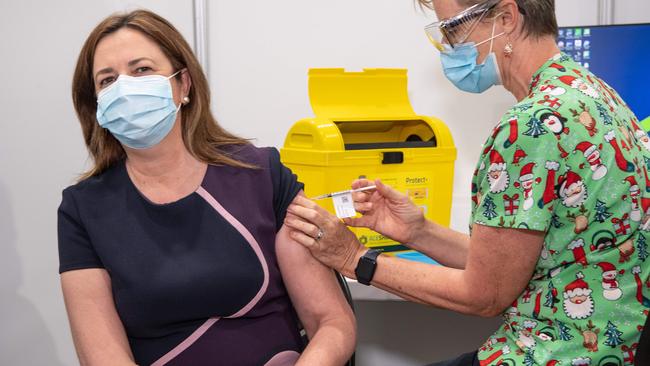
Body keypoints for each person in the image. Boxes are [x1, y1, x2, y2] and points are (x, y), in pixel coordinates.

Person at [284, 0, 650, 364]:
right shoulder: (594, 93)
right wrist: (418, 231)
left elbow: (483, 295)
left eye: (452, 28)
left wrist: (354, 258)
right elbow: (509, 264)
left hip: (553, 354)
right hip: (609, 348)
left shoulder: (530, 127)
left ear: (506, 18)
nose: (447, 46)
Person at [58, 10, 355, 366]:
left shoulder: (261, 174)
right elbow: (102, 357)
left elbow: (331, 323)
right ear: (96, 106)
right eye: (107, 80)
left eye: (141, 70)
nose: (125, 88)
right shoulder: (83, 209)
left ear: (183, 84)